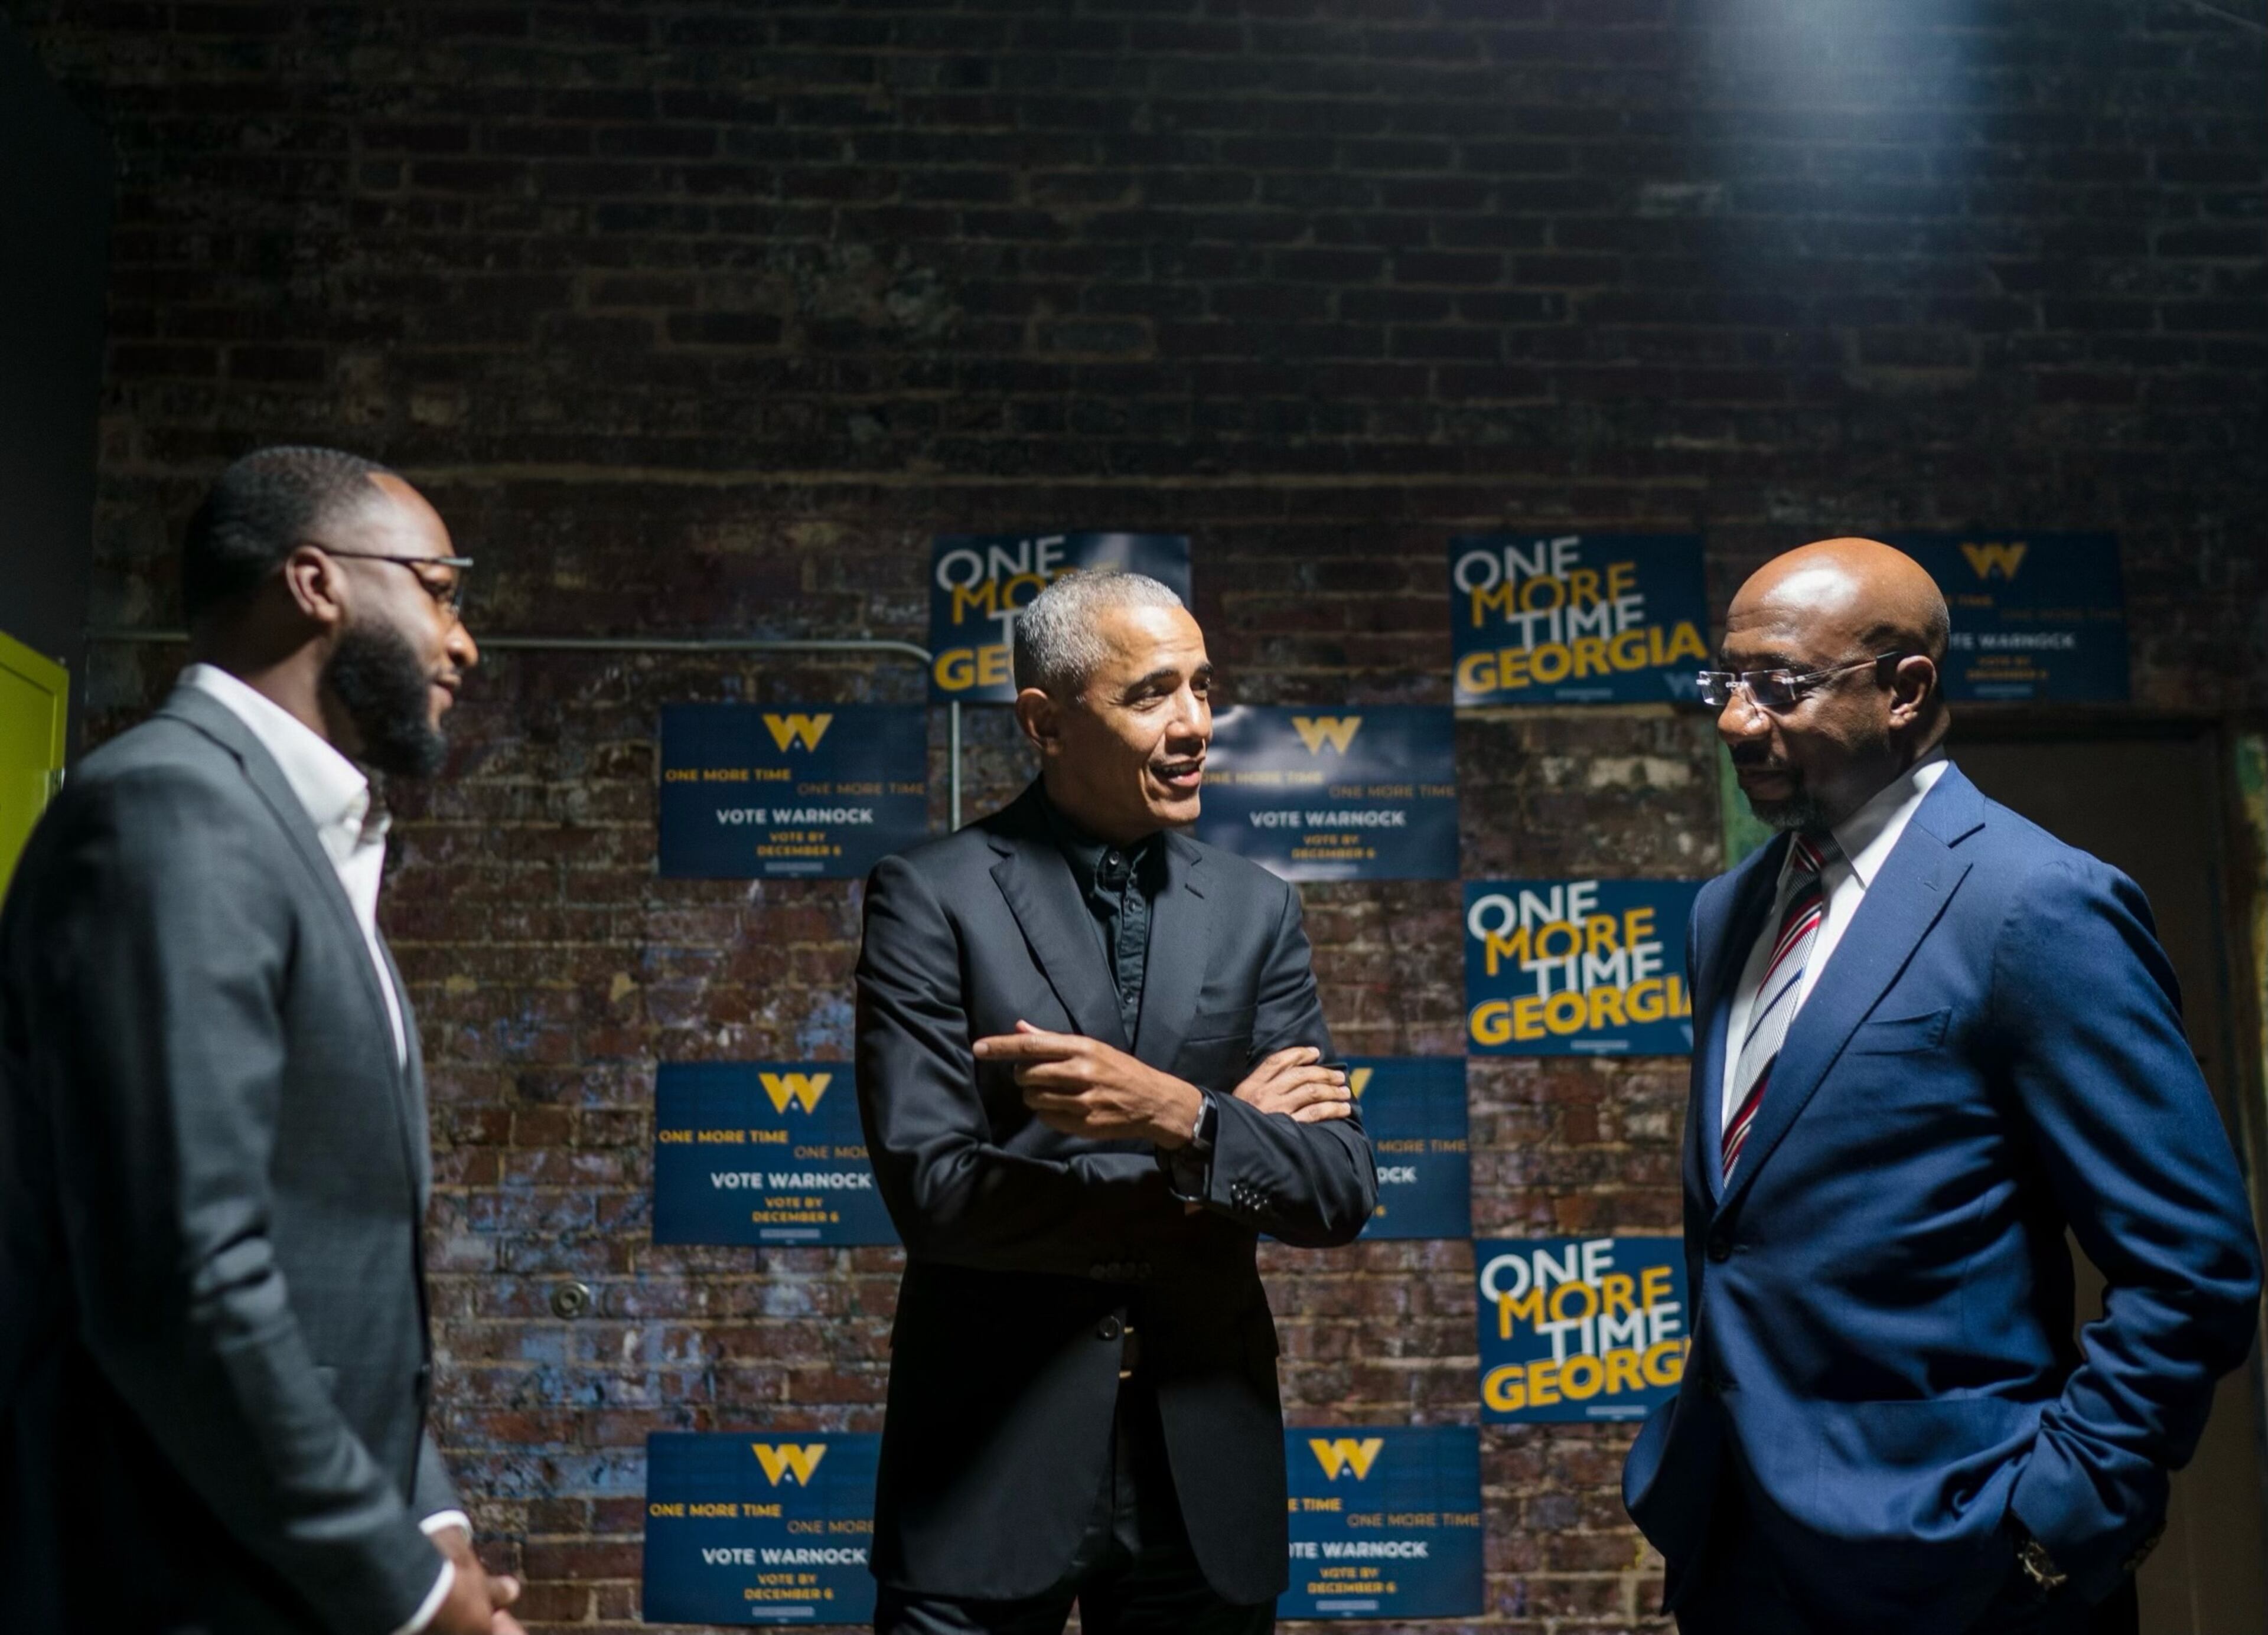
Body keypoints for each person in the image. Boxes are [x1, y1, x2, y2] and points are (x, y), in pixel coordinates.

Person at [1621, 537, 2262, 1634]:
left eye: (1779, 687)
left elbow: (2193, 1268)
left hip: (1965, 1566)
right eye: (1726, 682)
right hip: (1741, 1557)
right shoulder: (1727, 911)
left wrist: (2056, 1521)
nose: (1735, 720)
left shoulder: (2037, 905)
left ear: (1905, 691)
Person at [0, 448, 522, 1634]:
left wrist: (429, 1515)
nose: (463, 641)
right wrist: (406, 1588)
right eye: (439, 588)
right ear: (316, 580)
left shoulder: (292, 838)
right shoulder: (172, 812)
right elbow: (184, 1283)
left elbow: (323, 1273)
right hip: (166, 1585)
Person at [853, 570, 1378, 1634]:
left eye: (1202, 686)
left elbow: (1338, 1187)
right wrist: (1222, 1155)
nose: (1195, 726)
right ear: (1045, 723)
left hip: (1202, 1468)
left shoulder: (1256, 911)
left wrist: (1176, 1112)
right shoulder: (931, 896)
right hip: (987, 1458)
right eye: (1151, 695)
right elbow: (935, 1192)